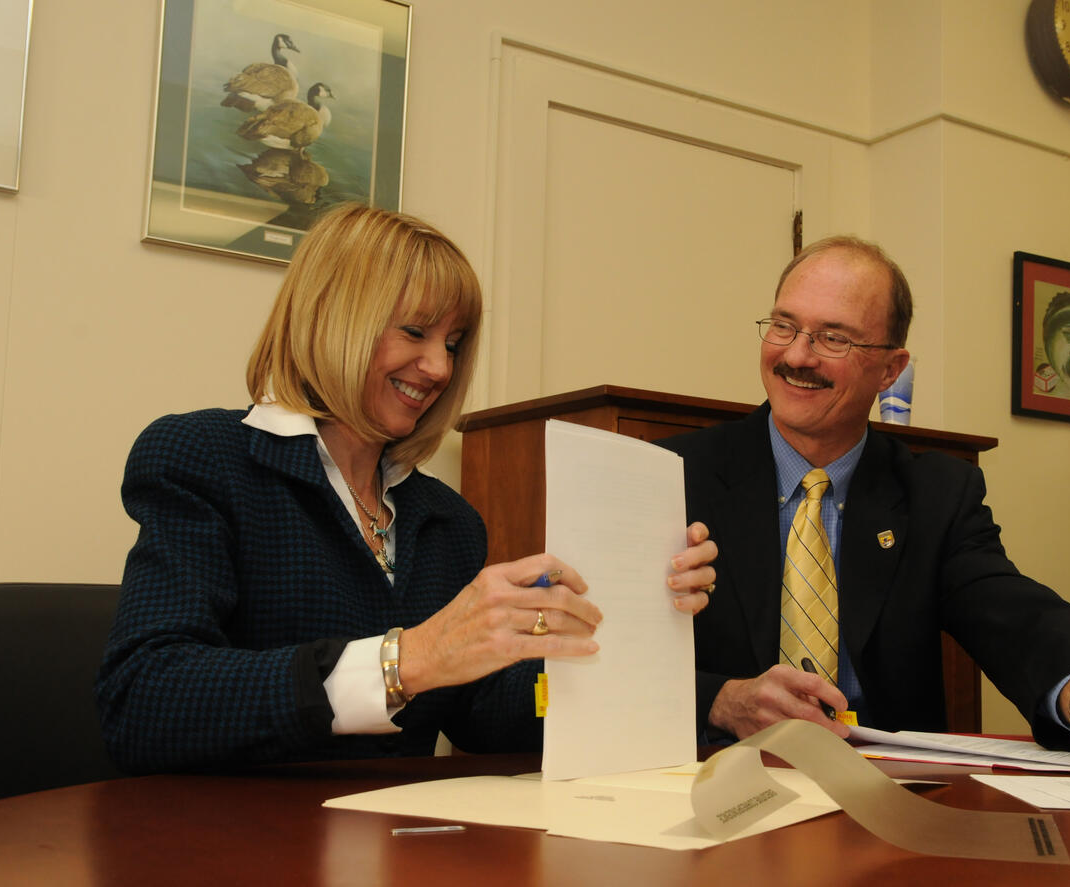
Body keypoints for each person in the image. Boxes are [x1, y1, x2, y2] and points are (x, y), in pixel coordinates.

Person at [96, 205, 716, 773]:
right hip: (238, 846)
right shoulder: (204, 458)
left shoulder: (447, 519)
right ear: (335, 319)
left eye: (452, 344)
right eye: (415, 332)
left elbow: (481, 717)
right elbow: (144, 700)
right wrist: (408, 660)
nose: (441, 368)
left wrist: (621, 621)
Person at [659, 235, 1070, 788]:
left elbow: (1010, 611)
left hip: (889, 809)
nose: (797, 355)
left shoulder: (937, 493)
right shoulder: (670, 475)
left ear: (891, 369)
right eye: (785, 326)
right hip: (708, 791)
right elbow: (600, 666)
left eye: (834, 338)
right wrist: (724, 700)